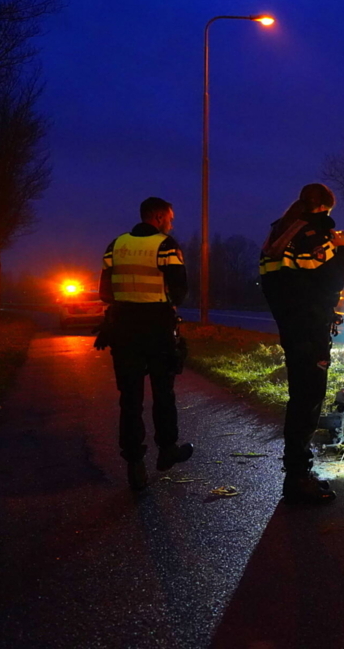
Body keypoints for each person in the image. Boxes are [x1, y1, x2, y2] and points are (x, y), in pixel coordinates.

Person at [259, 183, 344, 504]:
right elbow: (331, 281)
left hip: (291, 325)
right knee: (308, 401)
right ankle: (298, 478)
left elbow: (277, 283)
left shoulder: (276, 237)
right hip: (310, 330)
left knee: (300, 397)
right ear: (324, 208)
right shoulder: (313, 236)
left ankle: (296, 473)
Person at [98, 197, 194, 491]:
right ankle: (167, 450)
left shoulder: (116, 245)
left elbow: (105, 292)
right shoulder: (166, 246)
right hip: (157, 330)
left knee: (130, 399)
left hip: (123, 330)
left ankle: (134, 463)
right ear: (157, 217)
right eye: (170, 218)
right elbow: (180, 293)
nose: (171, 223)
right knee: (163, 393)